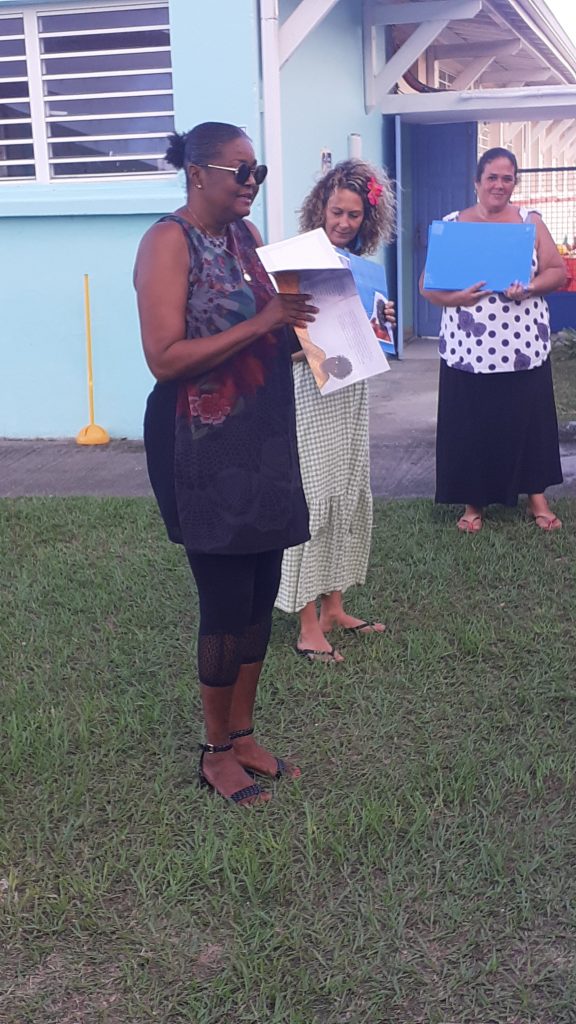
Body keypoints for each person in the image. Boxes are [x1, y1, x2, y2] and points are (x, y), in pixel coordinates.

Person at [134, 122, 317, 805]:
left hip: (262, 435)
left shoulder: (248, 239)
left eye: (257, 172)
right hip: (198, 440)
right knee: (223, 598)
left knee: (260, 591)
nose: (252, 183)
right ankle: (214, 753)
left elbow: (269, 336)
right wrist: (264, 323)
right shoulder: (167, 241)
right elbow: (164, 357)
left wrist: (323, 334)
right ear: (197, 174)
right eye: (241, 171)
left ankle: (242, 734)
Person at [275, 159, 396, 662]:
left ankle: (334, 608)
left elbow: (364, 335)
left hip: (350, 390)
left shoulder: (360, 267)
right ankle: (307, 625)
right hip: (310, 390)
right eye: (337, 212)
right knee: (313, 497)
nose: (344, 222)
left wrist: (379, 323)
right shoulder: (296, 262)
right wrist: (310, 340)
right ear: (319, 209)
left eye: (354, 215)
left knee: (347, 489)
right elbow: (279, 340)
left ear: (367, 219)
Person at [420, 147, 567, 533]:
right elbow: (427, 285)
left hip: (523, 348)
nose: (499, 185)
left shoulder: (530, 222)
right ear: (477, 182)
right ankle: (474, 502)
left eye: (507, 178)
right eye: (492, 177)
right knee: (472, 426)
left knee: (528, 424)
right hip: (468, 351)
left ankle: (536, 497)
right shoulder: (453, 225)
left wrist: (530, 287)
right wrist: (457, 298)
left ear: (514, 183)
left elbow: (557, 272)